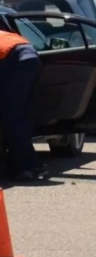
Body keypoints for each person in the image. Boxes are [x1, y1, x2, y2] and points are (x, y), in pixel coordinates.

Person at [0, 29, 44, 181]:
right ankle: (31, 163)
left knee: (12, 116)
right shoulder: (4, 33)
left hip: (16, 60)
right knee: (20, 114)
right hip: (30, 55)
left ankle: (27, 167)